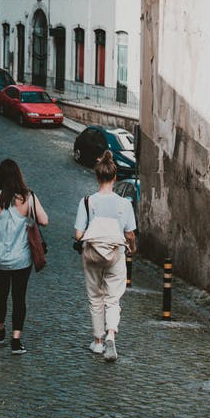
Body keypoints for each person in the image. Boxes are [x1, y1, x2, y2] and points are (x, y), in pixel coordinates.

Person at [74, 149, 136, 362]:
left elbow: (78, 234)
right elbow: (129, 233)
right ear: (115, 176)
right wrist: (132, 247)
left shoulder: (87, 202)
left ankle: (98, 342)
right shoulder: (125, 204)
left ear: (97, 176)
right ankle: (111, 333)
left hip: (92, 254)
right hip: (115, 254)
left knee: (95, 297)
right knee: (113, 298)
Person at [0, 158, 49, 355]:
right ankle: (16, 340)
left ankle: (0, 327)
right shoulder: (29, 198)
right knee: (19, 297)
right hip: (21, 259)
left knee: (0, 293)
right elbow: (44, 221)